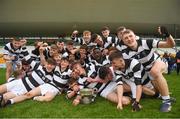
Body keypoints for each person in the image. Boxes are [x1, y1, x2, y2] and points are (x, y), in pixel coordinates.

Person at [121, 26, 176, 112]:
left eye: (130, 36)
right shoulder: (125, 54)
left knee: (154, 71)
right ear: (123, 41)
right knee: (151, 89)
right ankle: (162, 95)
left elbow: (170, 45)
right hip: (147, 71)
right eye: (126, 38)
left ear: (135, 36)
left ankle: (167, 101)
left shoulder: (145, 42)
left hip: (158, 62)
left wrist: (167, 35)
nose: (129, 39)